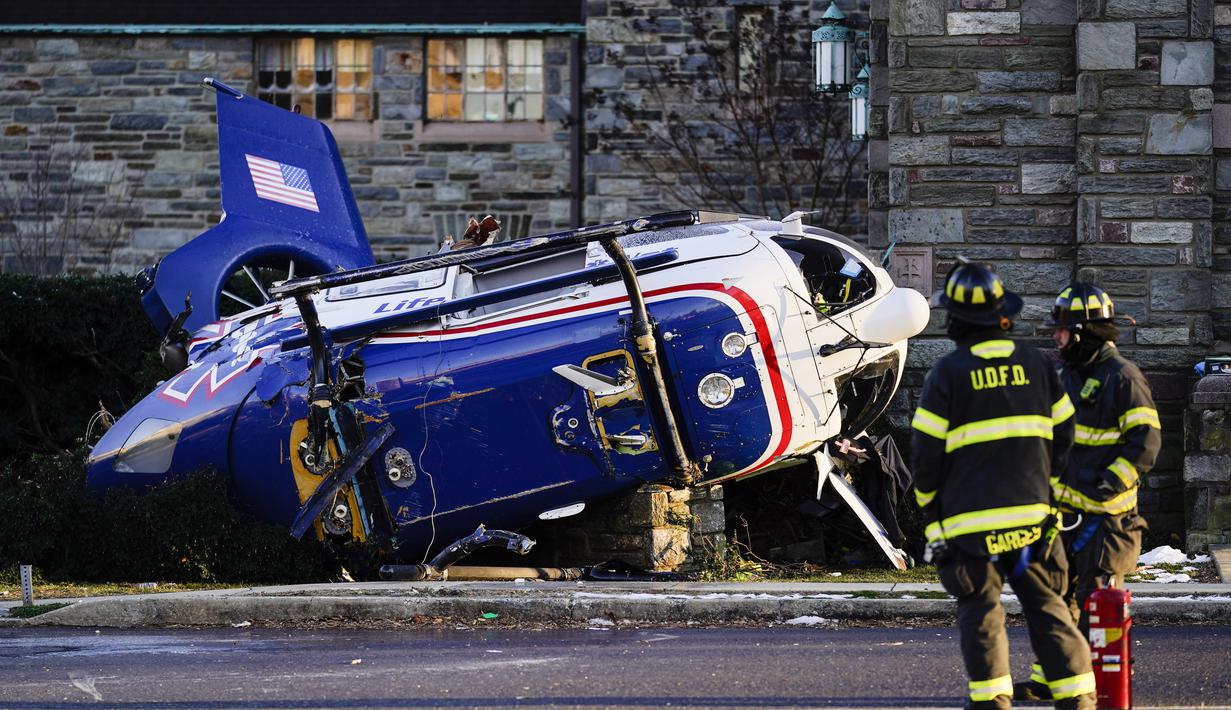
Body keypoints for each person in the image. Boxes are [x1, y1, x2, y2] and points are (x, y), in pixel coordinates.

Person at [911, 261, 1095, 710]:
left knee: (981, 615)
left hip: (970, 530)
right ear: (1001, 315)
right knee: (1050, 609)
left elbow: (925, 460)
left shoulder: (947, 374)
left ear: (954, 320)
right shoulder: (1037, 365)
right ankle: (1079, 700)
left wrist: (932, 520)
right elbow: (1066, 436)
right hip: (1032, 523)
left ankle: (993, 702)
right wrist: (1046, 488)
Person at [1015, 283, 1160, 702]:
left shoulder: (1123, 378)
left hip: (1108, 521)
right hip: (1063, 515)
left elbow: (1145, 442)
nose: (1055, 339)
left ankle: (1094, 688)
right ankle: (1050, 679)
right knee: (1054, 600)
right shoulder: (1067, 374)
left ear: (1081, 332)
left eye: (1061, 332)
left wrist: (1110, 482)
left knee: (1094, 603)